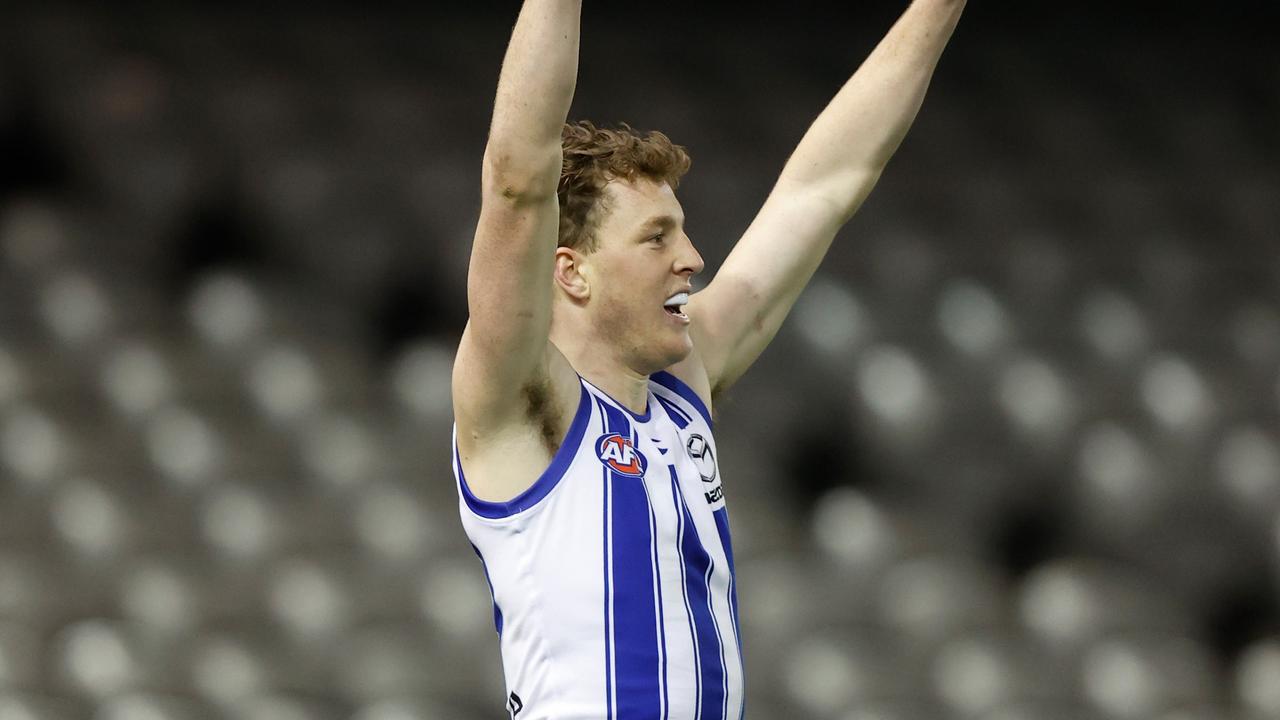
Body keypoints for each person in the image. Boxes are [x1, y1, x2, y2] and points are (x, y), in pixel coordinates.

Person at [451, 1, 967, 717]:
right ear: (571, 271)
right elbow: (516, 180)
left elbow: (825, 185)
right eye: (657, 238)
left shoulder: (681, 382)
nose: (692, 260)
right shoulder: (525, 399)